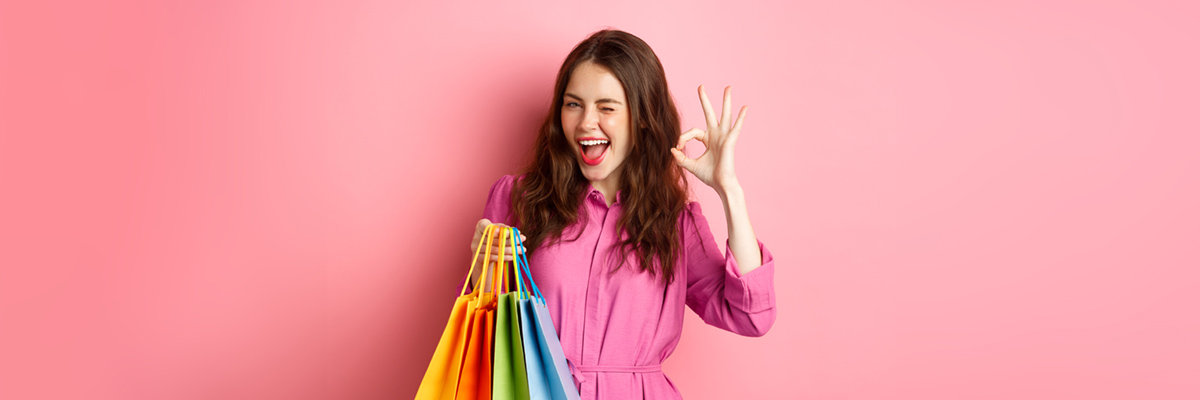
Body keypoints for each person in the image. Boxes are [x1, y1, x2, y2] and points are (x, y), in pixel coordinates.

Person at [466, 29, 776, 400]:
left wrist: (730, 191)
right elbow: (480, 337)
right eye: (573, 104)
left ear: (642, 119)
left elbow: (751, 316)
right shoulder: (519, 200)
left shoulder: (676, 224)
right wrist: (483, 269)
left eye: (607, 107)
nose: (585, 123)